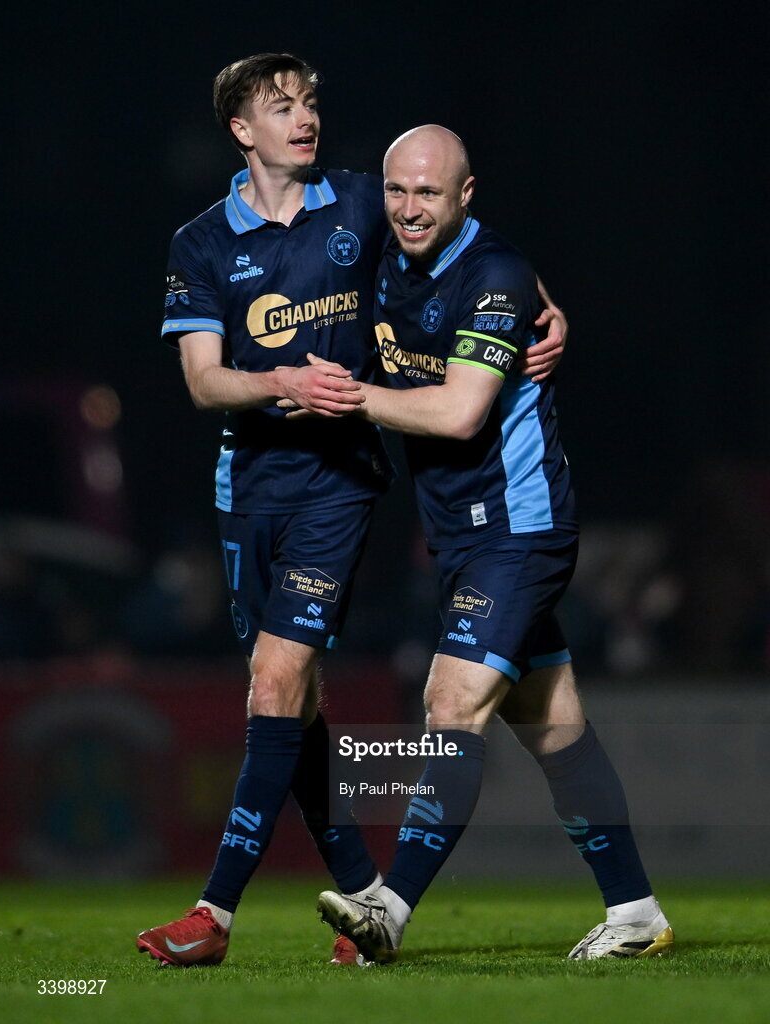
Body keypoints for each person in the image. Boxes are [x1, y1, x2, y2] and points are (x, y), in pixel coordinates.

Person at [136, 58, 567, 968]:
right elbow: (204, 381)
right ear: (241, 132)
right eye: (281, 107)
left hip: (339, 484)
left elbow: (461, 241)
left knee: (274, 681)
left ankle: (213, 916)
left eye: (312, 103)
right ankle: (369, 900)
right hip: (247, 489)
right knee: (291, 710)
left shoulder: (364, 201)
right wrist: (278, 381)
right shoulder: (202, 242)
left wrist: (545, 306)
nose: (305, 119)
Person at [311, 125, 673, 962]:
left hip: (521, 528)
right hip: (461, 537)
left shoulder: (494, 273)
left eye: (427, 194)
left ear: (465, 196)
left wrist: (348, 396)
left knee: (449, 704)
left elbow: (458, 413)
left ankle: (388, 911)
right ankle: (635, 911)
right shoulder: (380, 226)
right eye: (396, 190)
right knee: (555, 728)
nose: (406, 208)